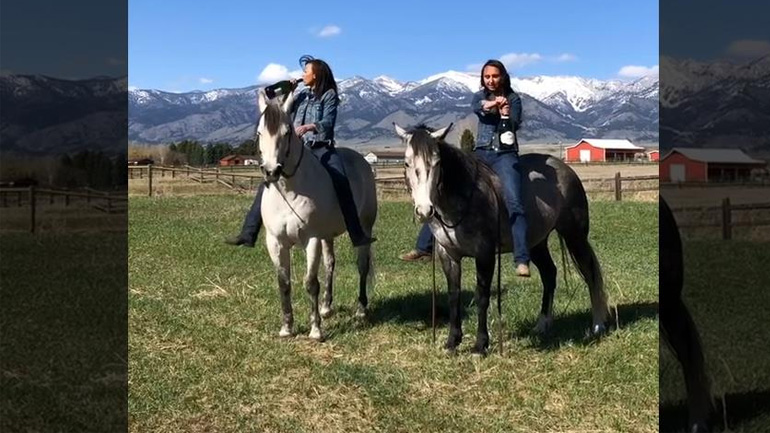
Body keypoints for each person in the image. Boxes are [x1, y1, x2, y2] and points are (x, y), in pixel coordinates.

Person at [225, 58, 376, 248]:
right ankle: (248, 233)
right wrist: (287, 88)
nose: (302, 74)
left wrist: (310, 126)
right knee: (268, 182)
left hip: (322, 148)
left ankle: (356, 233)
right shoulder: (302, 96)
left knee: (341, 180)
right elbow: (272, 100)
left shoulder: (329, 96)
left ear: (316, 75)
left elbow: (328, 122)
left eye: (306, 71)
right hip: (301, 149)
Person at [399, 60, 530, 277]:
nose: (491, 80)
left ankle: (522, 257)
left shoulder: (514, 99)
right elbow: (477, 108)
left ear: (503, 77)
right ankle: (424, 247)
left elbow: (514, 124)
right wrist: (489, 105)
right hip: (481, 153)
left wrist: (505, 113)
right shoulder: (479, 97)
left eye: (495, 76)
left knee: (514, 199)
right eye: (487, 77)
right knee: (442, 192)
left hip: (505, 155)